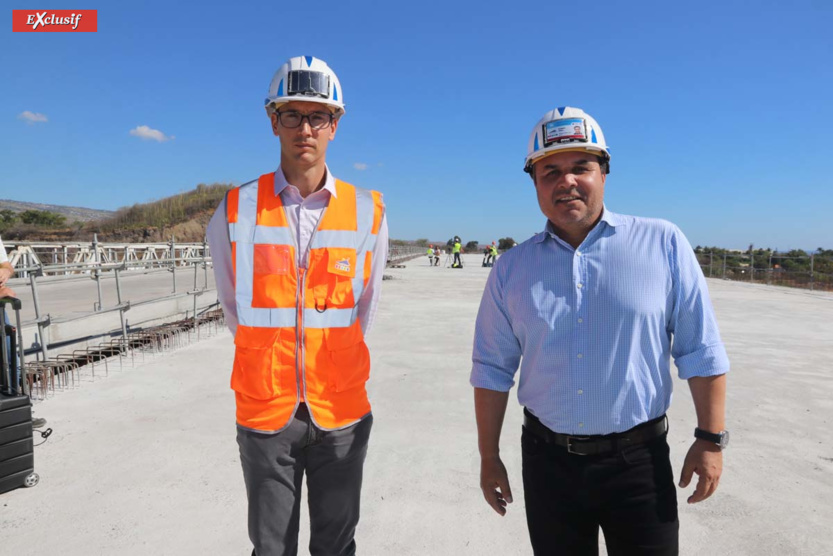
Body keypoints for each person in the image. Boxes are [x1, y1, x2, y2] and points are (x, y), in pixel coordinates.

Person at [470, 106, 729, 555]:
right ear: (535, 183)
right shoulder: (511, 268)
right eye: (551, 171)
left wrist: (710, 440)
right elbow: (491, 369)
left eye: (581, 167)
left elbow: (700, 349)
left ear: (604, 173)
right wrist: (489, 458)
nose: (566, 181)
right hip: (548, 464)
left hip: (639, 464)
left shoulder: (662, 244)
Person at [206, 55, 388, 556]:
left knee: (336, 546)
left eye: (318, 116)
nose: (305, 129)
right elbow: (232, 304)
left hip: (341, 409)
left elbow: (365, 308)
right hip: (267, 411)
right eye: (292, 115)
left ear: (335, 125)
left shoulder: (368, 210)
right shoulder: (236, 208)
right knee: (271, 548)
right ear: (273, 122)